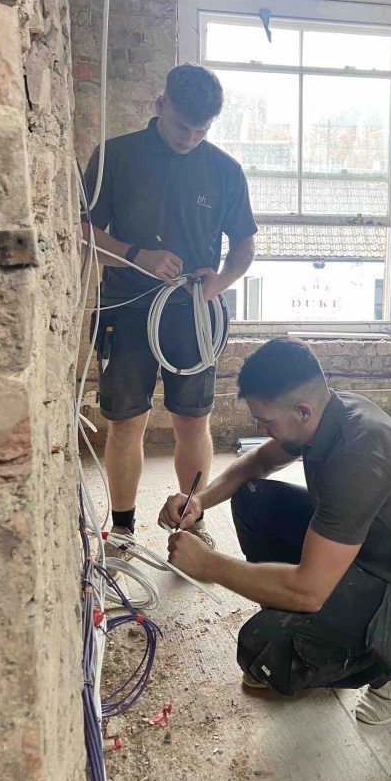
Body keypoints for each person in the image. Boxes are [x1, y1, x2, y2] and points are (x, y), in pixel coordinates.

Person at [160, 337, 391, 725]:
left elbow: (308, 590)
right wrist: (200, 500)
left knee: (261, 648)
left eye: (266, 420)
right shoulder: (325, 414)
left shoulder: (360, 455)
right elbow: (262, 461)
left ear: (302, 410)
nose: (259, 427)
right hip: (364, 549)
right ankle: (327, 633)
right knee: (252, 498)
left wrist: (208, 564)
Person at [82, 64, 257, 549]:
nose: (191, 137)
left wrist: (218, 282)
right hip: (126, 306)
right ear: (160, 105)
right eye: (183, 126)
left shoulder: (223, 169)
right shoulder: (116, 156)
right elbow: (84, 230)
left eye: (202, 130)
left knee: (192, 421)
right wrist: (138, 254)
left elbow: (245, 244)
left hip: (191, 315)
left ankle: (190, 517)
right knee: (126, 422)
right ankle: (121, 526)